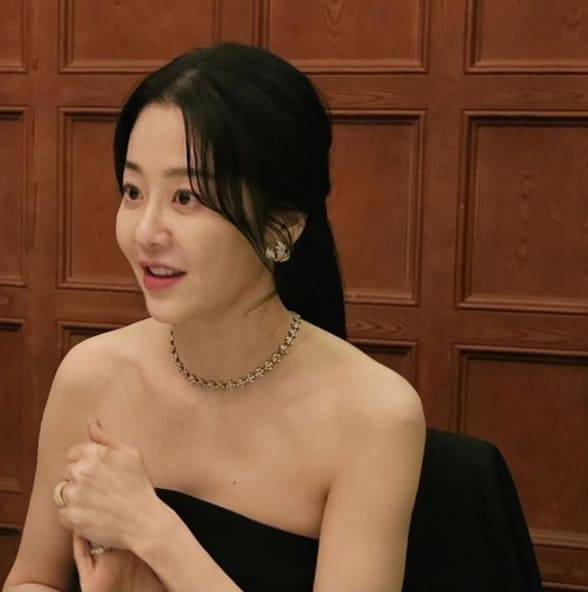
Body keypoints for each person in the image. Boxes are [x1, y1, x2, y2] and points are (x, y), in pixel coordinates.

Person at [3, 42, 426, 592]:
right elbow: (33, 580)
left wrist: (154, 532)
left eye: (186, 197)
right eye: (133, 191)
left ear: (282, 226)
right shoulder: (91, 375)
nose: (145, 232)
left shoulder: (374, 416)